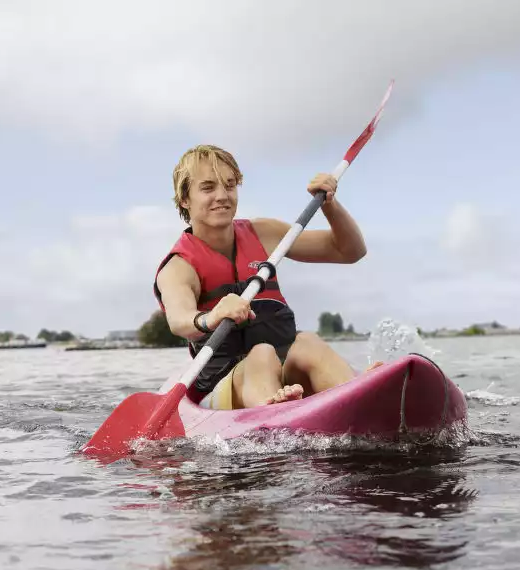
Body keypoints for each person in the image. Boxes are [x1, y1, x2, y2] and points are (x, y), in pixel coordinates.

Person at [153, 144, 378, 409]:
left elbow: (350, 251)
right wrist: (212, 316)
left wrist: (330, 206)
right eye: (208, 188)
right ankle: (275, 419)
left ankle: (363, 397)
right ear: (184, 199)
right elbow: (179, 321)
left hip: (283, 368)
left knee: (307, 341)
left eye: (230, 185)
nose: (222, 195)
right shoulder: (178, 266)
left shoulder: (263, 233)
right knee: (262, 354)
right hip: (223, 383)